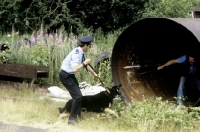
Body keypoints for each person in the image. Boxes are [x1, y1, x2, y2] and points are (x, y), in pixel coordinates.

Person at [59, 36, 100, 125]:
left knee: (78, 96)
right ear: (85, 45)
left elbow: (86, 65)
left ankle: (76, 115)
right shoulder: (76, 54)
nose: (89, 48)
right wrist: (84, 63)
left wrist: (94, 74)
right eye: (89, 46)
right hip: (66, 76)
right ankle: (71, 119)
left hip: (70, 76)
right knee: (77, 97)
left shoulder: (81, 52)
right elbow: (75, 69)